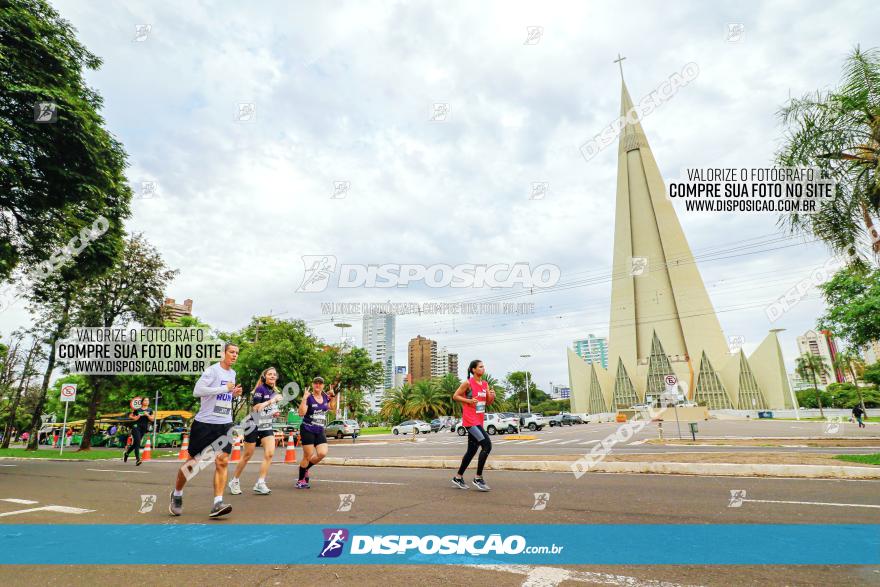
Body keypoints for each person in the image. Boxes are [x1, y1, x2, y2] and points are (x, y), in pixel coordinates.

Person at [169, 343, 242, 518]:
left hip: (225, 423)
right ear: (223, 353)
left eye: (237, 353)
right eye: (231, 352)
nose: (234, 355)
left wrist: (233, 395)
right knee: (193, 464)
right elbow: (198, 391)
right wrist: (225, 389)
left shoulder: (232, 373)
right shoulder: (212, 371)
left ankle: (217, 503)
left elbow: (221, 395)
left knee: (222, 461)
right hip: (205, 423)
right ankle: (177, 494)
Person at [228, 367, 282, 495]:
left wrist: (274, 413)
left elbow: (267, 409)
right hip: (253, 424)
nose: (272, 376)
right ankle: (234, 481)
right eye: (270, 374)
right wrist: (272, 401)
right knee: (247, 455)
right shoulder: (260, 389)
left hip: (266, 425)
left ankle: (260, 483)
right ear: (264, 377)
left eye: (274, 374)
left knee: (269, 454)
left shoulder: (275, 391)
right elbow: (257, 408)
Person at [451, 359, 496, 491]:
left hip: (479, 420)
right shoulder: (468, 383)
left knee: (471, 451)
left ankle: (458, 477)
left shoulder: (485, 384)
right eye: (480, 367)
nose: (483, 369)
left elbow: (488, 403)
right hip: (470, 421)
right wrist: (468, 400)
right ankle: (478, 478)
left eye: (484, 366)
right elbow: (455, 396)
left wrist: (492, 396)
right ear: (473, 370)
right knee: (487, 445)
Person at [295, 376, 337, 489]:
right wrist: (304, 398)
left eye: (320, 383)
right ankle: (300, 480)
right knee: (308, 455)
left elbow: (331, 407)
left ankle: (306, 468)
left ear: (323, 385)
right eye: (316, 383)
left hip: (319, 430)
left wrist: (333, 397)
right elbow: (301, 413)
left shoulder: (325, 396)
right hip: (307, 429)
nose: (318, 385)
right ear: (313, 385)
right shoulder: (309, 397)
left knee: (322, 453)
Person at [124, 397, 155, 465]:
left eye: (148, 401)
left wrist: (148, 415)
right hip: (136, 426)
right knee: (138, 441)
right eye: (145, 400)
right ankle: (138, 459)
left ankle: (127, 453)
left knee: (136, 443)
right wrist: (135, 418)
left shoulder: (150, 410)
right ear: (142, 402)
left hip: (143, 427)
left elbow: (152, 419)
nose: (147, 402)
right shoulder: (138, 409)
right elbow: (130, 416)